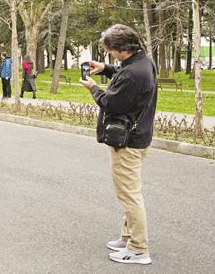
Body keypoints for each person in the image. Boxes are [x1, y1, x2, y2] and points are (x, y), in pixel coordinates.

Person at [79, 24, 157, 266]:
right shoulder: (143, 62)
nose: (110, 55)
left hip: (127, 141)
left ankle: (138, 249)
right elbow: (124, 74)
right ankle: (128, 237)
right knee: (129, 192)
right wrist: (106, 69)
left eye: (111, 51)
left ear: (123, 49)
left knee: (129, 195)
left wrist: (93, 88)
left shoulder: (133, 74)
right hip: (140, 135)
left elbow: (111, 104)